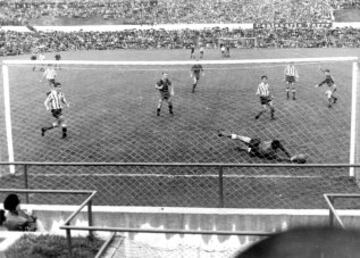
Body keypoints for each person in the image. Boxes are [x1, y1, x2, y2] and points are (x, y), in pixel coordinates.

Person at [218, 130, 293, 162]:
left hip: (255, 144)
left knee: (239, 138)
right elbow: (277, 156)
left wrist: (290, 157)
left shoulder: (274, 144)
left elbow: (283, 150)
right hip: (254, 145)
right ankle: (225, 134)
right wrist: (290, 159)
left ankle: (243, 148)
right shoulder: (268, 149)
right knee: (253, 152)